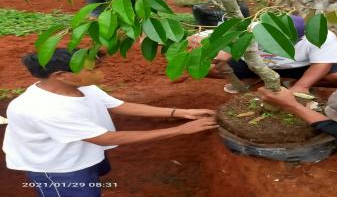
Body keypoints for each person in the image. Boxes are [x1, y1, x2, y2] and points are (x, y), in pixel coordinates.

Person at [2, 49, 217, 197]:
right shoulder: (44, 110)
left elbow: (118, 105)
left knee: (93, 180)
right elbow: (106, 138)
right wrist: (181, 130)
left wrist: (179, 112)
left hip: (80, 152)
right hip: (57, 167)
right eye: (92, 70)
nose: (100, 73)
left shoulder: (83, 87)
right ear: (61, 75)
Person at [188, 15, 337, 94]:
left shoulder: (320, 35)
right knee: (203, 68)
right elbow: (202, 38)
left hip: (299, 69)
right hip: (252, 65)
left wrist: (301, 87)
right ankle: (253, 79)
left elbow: (322, 64)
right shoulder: (251, 28)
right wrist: (218, 50)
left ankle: (292, 82)